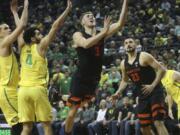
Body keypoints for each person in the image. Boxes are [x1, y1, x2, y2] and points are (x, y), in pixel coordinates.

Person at [65, 0, 128, 134]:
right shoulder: (78, 34)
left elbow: (120, 23)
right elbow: (86, 44)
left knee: (84, 107)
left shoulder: (101, 32)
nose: (91, 17)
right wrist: (103, 32)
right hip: (80, 78)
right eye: (88, 16)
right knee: (72, 112)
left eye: (92, 15)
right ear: (82, 22)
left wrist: (125, 3)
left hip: (94, 78)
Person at [17, 0, 72, 135]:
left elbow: (20, 26)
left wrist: (23, 8)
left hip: (22, 91)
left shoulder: (22, 47)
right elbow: (55, 27)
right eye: (38, 34)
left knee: (26, 128)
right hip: (37, 89)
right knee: (47, 126)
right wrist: (66, 11)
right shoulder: (40, 47)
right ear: (33, 38)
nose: (41, 35)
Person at [112, 38, 169, 135]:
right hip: (142, 95)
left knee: (158, 122)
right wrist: (118, 92)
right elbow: (124, 81)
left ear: (136, 45)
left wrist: (152, 85)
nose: (128, 44)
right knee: (144, 127)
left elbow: (161, 69)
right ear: (124, 47)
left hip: (155, 91)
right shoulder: (123, 64)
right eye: (126, 43)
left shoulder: (143, 56)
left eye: (130, 42)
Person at [0, 0, 28, 135]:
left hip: (14, 88)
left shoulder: (8, 44)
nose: (9, 29)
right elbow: (22, 26)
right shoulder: (3, 43)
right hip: (6, 90)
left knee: (25, 124)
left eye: (8, 27)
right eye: (5, 28)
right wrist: (16, 11)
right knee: (18, 125)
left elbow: (21, 34)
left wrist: (16, 13)